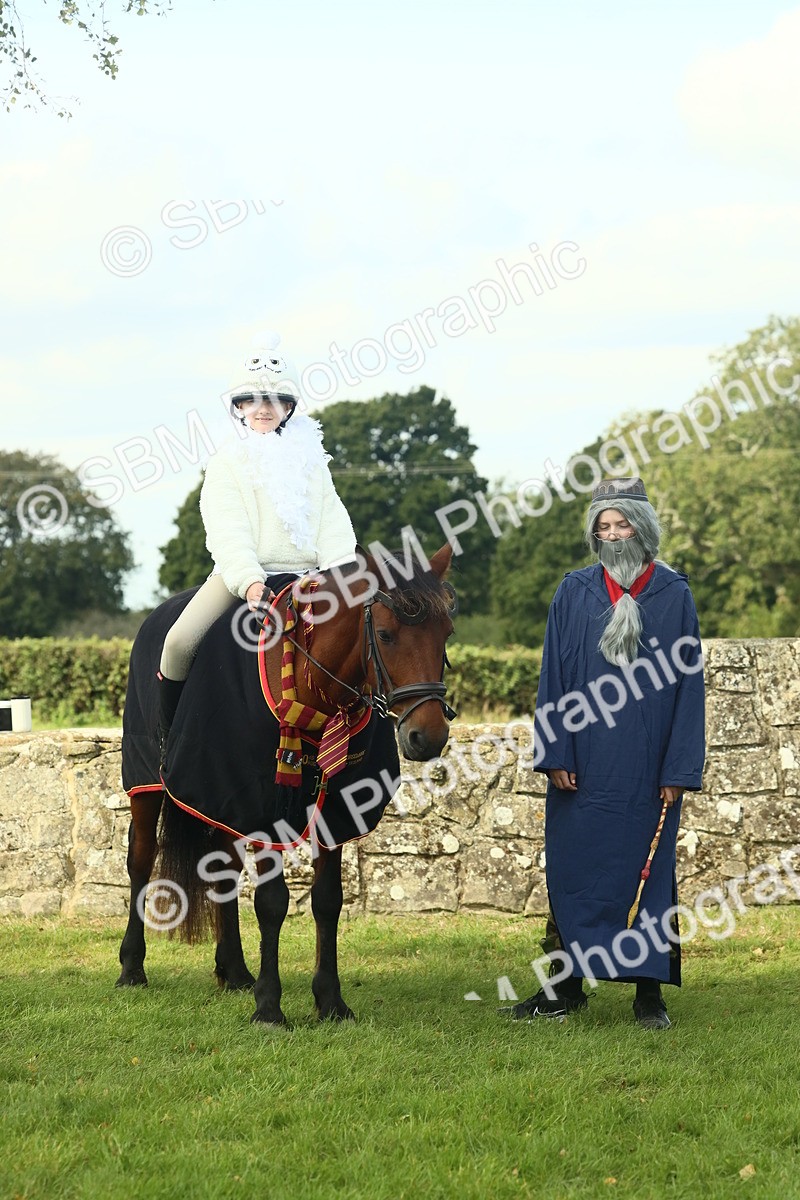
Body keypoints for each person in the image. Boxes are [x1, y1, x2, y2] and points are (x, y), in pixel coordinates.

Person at [512, 477, 705, 1029]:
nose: (614, 534)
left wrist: (678, 768)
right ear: (594, 534)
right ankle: (564, 988)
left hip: (649, 771)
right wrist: (555, 752)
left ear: (642, 528)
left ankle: (649, 994)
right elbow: (554, 677)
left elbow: (689, 687)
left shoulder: (674, 595)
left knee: (650, 875)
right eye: (604, 526)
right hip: (583, 766)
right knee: (576, 873)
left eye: (622, 524)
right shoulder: (574, 592)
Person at [156, 333, 357, 760]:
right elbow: (228, 532)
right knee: (177, 643)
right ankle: (168, 745)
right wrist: (249, 583)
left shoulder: (314, 464)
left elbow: (334, 527)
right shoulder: (225, 464)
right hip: (243, 579)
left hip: (311, 580)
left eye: (274, 400)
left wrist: (342, 577)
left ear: (289, 407)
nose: (263, 408)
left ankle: (358, 746)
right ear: (240, 407)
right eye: (253, 400)